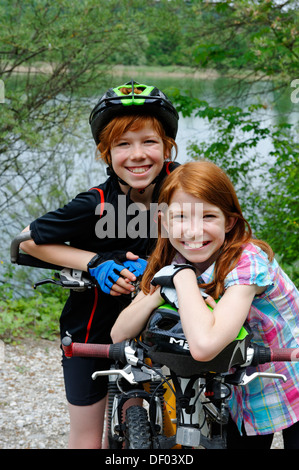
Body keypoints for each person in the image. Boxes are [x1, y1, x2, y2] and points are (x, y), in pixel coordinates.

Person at [19, 80, 180, 449]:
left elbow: (224, 235)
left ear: (167, 147)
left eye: (149, 142)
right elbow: (26, 241)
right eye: (123, 144)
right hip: (91, 330)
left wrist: (161, 267)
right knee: (87, 437)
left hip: (168, 324)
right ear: (104, 153)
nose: (137, 154)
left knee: (186, 424)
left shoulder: (186, 189)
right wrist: (95, 263)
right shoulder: (96, 202)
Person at [111, 160, 299, 449]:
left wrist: (181, 279)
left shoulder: (248, 261)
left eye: (208, 216)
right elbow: (118, 334)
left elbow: (204, 345)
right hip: (240, 387)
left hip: (289, 373)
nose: (193, 231)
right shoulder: (177, 260)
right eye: (181, 217)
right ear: (163, 221)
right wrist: (160, 291)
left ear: (230, 221)